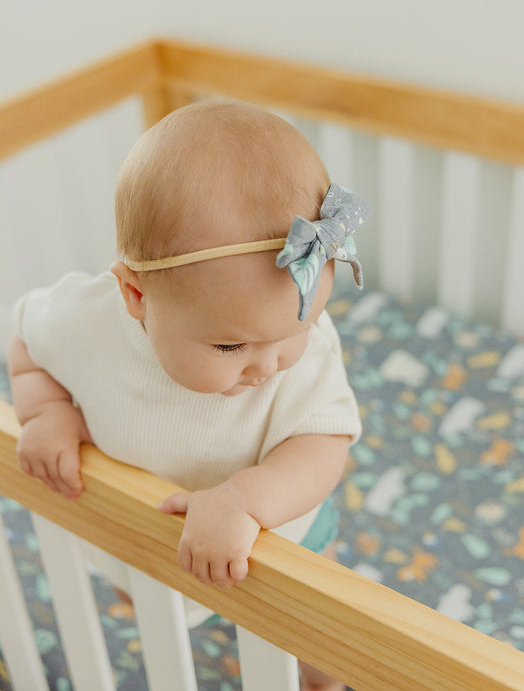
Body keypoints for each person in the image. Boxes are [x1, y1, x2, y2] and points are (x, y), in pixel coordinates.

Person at [8, 98, 370, 691]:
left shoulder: (304, 352)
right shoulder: (85, 321)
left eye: (295, 331)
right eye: (230, 346)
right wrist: (46, 409)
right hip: (147, 525)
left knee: (317, 627)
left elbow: (323, 442)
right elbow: (25, 336)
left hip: (282, 523)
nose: (268, 365)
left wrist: (247, 502)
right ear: (136, 297)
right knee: (147, 585)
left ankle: (322, 680)